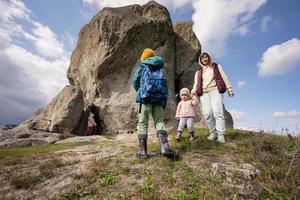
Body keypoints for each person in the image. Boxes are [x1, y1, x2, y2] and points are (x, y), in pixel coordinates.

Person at [132, 48, 178, 159]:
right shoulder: (160, 67)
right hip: (158, 100)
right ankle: (165, 148)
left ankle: (143, 152)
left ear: (144, 58)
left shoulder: (142, 66)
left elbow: (135, 81)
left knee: (143, 123)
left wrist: (141, 90)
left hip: (145, 99)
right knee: (159, 122)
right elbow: (164, 85)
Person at [191, 52, 234, 143]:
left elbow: (224, 77)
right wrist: (193, 91)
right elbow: (195, 84)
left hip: (215, 91)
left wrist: (229, 89)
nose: (204, 59)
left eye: (206, 57)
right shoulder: (198, 72)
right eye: (202, 58)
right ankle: (213, 132)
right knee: (207, 113)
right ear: (200, 60)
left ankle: (220, 134)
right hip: (204, 93)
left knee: (217, 111)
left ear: (209, 58)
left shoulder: (216, 66)